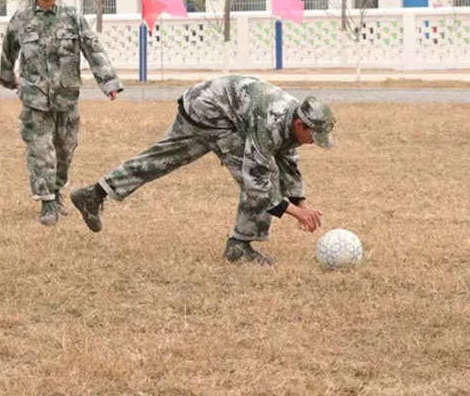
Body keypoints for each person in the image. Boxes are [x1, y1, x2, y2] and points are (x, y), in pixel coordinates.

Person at [70, 75, 333, 265]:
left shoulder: (291, 121)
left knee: (160, 159)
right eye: (314, 136)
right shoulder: (272, 122)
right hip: (210, 111)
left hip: (201, 103)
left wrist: (301, 202)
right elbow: (257, 181)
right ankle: (239, 247)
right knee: (259, 176)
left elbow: (288, 158)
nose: (314, 142)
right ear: (300, 124)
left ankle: (94, 194)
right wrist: (295, 212)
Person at [0, 0, 123, 226]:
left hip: (66, 97)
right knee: (40, 150)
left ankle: (56, 193)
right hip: (34, 98)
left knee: (64, 150)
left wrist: (109, 81)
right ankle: (46, 203)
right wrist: (8, 77)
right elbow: (9, 49)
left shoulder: (71, 17)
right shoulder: (21, 18)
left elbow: (93, 49)